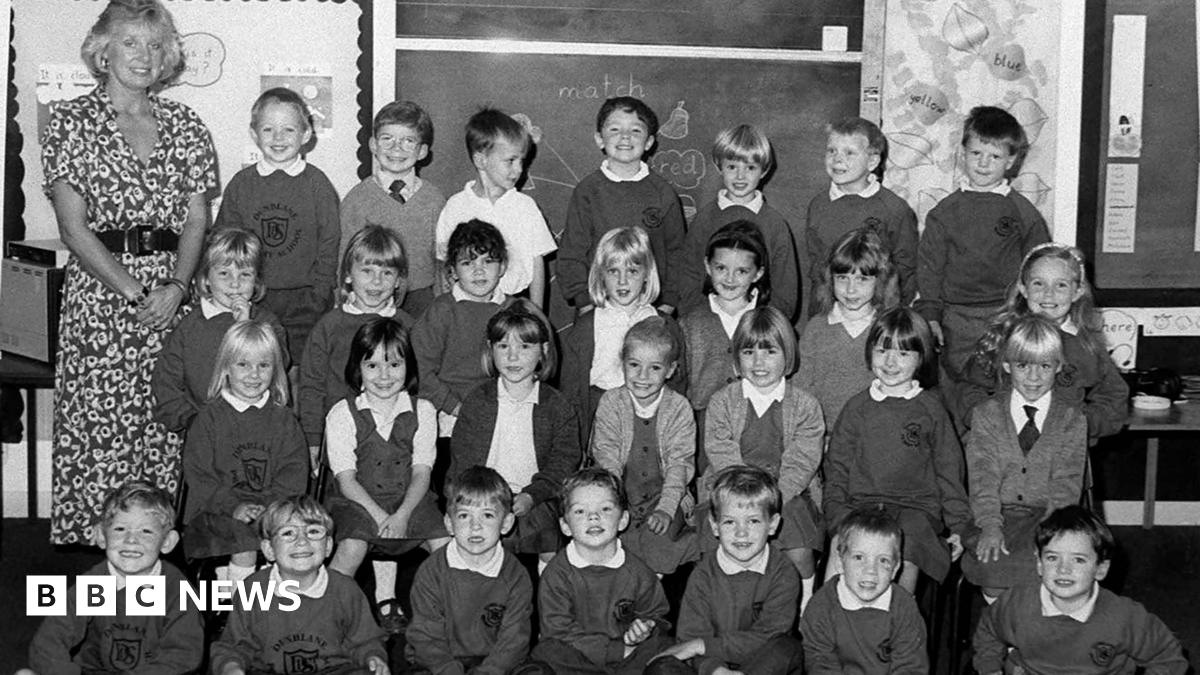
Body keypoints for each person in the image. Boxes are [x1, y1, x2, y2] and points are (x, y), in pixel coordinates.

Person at [41, 0, 217, 544]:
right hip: (102, 301)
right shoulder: (71, 122)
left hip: (174, 295)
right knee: (102, 432)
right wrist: (138, 292)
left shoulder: (186, 123)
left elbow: (196, 220)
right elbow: (73, 230)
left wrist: (176, 288)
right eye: (131, 43)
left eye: (155, 45)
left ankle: (161, 546)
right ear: (103, 50)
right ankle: (102, 556)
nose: (144, 56)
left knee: (167, 425)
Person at [823, 307, 970, 590]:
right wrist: (837, 514)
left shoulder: (931, 409)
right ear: (870, 353)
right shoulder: (857, 408)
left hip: (915, 508)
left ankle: (899, 621)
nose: (890, 362)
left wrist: (960, 526)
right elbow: (837, 468)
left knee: (908, 544)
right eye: (882, 350)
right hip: (861, 505)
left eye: (903, 354)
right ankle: (826, 622)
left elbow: (949, 473)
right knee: (843, 542)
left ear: (921, 358)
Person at [323, 318, 450, 632]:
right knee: (352, 545)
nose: (384, 375)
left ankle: (444, 621)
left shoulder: (424, 410)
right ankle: (325, 616)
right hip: (359, 501)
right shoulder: (342, 413)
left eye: (394, 364)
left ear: (409, 366)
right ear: (358, 368)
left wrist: (404, 514)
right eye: (373, 365)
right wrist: (381, 517)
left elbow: (422, 471)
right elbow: (346, 480)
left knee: (446, 545)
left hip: (411, 498)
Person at [701, 307, 825, 610]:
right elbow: (720, 450)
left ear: (788, 356)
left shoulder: (806, 405)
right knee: (713, 544)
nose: (758, 362)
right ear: (737, 358)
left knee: (798, 546)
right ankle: (725, 610)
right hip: (730, 489)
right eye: (748, 352)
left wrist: (774, 497)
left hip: (787, 492)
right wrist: (745, 497)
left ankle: (802, 608)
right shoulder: (722, 401)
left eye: (769, 351)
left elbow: (803, 459)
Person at [916, 105, 1050, 378]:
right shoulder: (944, 213)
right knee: (956, 387)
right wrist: (931, 315)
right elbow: (929, 269)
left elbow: (1041, 266)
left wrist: (1033, 314)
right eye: (976, 153)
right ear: (963, 153)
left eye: (995, 156)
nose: (983, 163)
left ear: (1011, 161)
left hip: (1007, 316)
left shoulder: (1023, 212)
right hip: (954, 318)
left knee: (1003, 386)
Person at [973, 505, 1187, 675]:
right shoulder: (1017, 604)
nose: (1063, 569)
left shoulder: (1125, 617)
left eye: (1078, 559)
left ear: (1100, 569)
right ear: (1039, 564)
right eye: (1052, 557)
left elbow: (1168, 657)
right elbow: (989, 631)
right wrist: (989, 668)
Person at [962, 315, 1088, 601]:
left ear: (1058, 367)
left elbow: (1066, 486)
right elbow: (983, 478)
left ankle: (1034, 639)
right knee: (993, 566)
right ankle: (1004, 638)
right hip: (994, 513)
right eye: (1023, 366)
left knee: (1050, 567)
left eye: (1044, 366)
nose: (1034, 378)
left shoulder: (1071, 419)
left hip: (1049, 516)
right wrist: (991, 526)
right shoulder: (987, 414)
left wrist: (1050, 532)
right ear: (1007, 365)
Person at [448, 299, 580, 565]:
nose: (512, 356)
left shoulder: (556, 405)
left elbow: (564, 462)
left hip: (538, 496)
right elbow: (462, 463)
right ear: (490, 350)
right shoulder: (478, 401)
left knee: (548, 534)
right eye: (503, 346)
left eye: (525, 346)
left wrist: (533, 494)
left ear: (543, 350)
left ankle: (550, 594)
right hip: (485, 498)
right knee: (481, 536)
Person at [22, 482, 203, 674]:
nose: (131, 540)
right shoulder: (93, 583)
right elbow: (48, 642)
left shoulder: (178, 590)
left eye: (146, 531)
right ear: (101, 536)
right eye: (120, 529)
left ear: (167, 542)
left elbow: (183, 656)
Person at [958, 243, 1129, 443]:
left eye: (1061, 285)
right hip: (1003, 450)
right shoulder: (1002, 338)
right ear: (1023, 288)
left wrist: (1083, 424)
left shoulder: (1086, 346)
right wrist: (990, 419)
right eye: (1039, 283)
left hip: (1065, 454)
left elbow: (1114, 397)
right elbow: (968, 389)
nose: (1049, 294)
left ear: (1077, 291)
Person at [214, 86, 340, 357]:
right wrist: (235, 291)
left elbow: (330, 242)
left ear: (306, 134)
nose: (278, 138)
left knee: (302, 369)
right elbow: (224, 243)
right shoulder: (242, 184)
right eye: (268, 129)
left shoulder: (317, 184)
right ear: (253, 134)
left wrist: (319, 292)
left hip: (306, 300)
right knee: (258, 366)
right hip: (254, 298)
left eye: (289, 130)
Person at [181, 319, 308, 582]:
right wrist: (234, 507)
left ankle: (250, 594)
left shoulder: (284, 420)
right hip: (215, 514)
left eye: (264, 365)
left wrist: (268, 507)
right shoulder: (209, 419)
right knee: (246, 540)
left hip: (271, 511)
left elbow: (294, 475)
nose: (254, 374)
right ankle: (240, 610)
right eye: (243, 364)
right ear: (226, 367)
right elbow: (199, 477)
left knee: (300, 537)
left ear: (275, 370)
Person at [648, 466, 803, 675]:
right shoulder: (703, 575)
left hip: (760, 665)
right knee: (662, 666)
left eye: (753, 521)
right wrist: (716, 670)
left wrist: (700, 645)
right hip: (713, 667)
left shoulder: (783, 573)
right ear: (714, 525)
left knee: (786, 648)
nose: (741, 532)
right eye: (730, 521)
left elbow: (768, 637)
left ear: (773, 524)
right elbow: (690, 636)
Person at [209, 496, 390, 675]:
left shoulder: (345, 589)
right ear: (269, 550)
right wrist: (231, 667)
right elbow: (232, 647)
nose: (302, 541)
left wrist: (373, 658)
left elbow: (366, 641)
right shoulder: (252, 589)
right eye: (288, 533)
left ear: (327, 546)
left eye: (313, 532)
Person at [531, 467, 672, 675]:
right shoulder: (556, 575)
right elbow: (557, 631)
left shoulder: (639, 572)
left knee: (667, 650)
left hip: (629, 657)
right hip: (578, 658)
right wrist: (616, 650)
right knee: (546, 652)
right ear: (565, 526)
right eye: (580, 511)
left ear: (623, 520)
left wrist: (645, 628)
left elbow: (658, 615)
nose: (594, 517)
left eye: (605, 509)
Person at [559, 226, 687, 447]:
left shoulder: (665, 325)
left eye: (632, 271)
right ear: (600, 275)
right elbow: (571, 393)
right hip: (600, 417)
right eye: (613, 271)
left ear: (647, 274)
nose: (622, 281)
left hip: (651, 418)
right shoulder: (588, 326)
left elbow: (678, 382)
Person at [406, 466, 542, 675]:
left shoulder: (516, 575)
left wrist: (488, 672)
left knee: (537, 671)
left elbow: (515, 640)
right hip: (442, 660)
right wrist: (449, 670)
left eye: (487, 515)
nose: (475, 526)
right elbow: (425, 637)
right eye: (463, 516)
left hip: (495, 661)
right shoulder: (431, 571)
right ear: (449, 524)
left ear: (506, 523)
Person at [590, 316, 699, 576]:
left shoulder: (679, 408)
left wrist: (666, 508)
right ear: (623, 363)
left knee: (657, 540)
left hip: (665, 497)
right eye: (635, 365)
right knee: (613, 547)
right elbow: (607, 460)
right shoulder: (611, 403)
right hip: (621, 496)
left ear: (671, 370)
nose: (642, 376)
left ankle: (689, 547)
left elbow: (679, 465)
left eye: (655, 368)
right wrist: (614, 505)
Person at [558, 96, 687, 314]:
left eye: (635, 130)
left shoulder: (663, 193)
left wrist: (668, 304)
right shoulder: (588, 191)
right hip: (598, 307)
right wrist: (585, 302)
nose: (625, 137)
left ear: (648, 142)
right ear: (600, 139)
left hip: (651, 309)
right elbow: (572, 252)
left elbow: (678, 253)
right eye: (615, 129)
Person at [153, 227, 287, 434]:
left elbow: (279, 367)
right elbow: (166, 382)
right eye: (224, 273)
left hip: (259, 428)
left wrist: (245, 327)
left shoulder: (266, 322)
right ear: (206, 278)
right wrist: (191, 421)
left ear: (256, 280)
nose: (235, 283)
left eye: (245, 274)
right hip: (205, 431)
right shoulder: (190, 327)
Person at [299, 225, 411, 462]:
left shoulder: (408, 326)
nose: (376, 282)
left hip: (394, 444)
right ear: (348, 274)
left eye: (387, 273)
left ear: (399, 280)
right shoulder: (329, 327)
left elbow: (417, 386)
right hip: (341, 441)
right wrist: (313, 438)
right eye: (367, 271)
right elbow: (312, 386)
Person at [434, 107, 556, 308]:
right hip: (467, 305)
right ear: (481, 160)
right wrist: (449, 312)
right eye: (510, 161)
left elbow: (536, 265)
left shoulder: (525, 207)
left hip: (515, 306)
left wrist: (537, 313)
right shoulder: (456, 206)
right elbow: (444, 265)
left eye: (522, 161)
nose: (519, 170)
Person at [678, 124, 799, 320]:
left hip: (758, 331)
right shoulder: (705, 219)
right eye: (732, 167)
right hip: (709, 325)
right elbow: (689, 278)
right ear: (719, 166)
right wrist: (702, 321)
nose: (740, 176)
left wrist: (764, 326)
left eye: (750, 167)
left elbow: (785, 291)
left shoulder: (775, 224)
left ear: (764, 170)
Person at [340, 100, 445, 317]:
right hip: (371, 296)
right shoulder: (357, 200)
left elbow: (442, 258)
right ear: (373, 145)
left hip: (422, 299)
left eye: (408, 141)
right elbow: (345, 258)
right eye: (387, 139)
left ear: (423, 151)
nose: (396, 148)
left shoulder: (435, 199)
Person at [802, 117, 917, 314]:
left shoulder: (894, 209)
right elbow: (817, 267)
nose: (837, 159)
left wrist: (892, 311)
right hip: (829, 312)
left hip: (878, 312)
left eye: (849, 153)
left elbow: (905, 268)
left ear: (872, 161)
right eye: (832, 151)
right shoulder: (818, 206)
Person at [800, 506, 929, 675]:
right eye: (859, 557)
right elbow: (819, 663)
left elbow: (911, 666)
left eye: (883, 560)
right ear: (840, 562)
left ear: (896, 569)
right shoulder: (821, 607)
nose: (870, 570)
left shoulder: (904, 608)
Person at [411, 219, 510, 437]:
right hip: (450, 414)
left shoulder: (514, 311)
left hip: (504, 411)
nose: (479, 271)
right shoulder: (441, 311)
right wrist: (454, 407)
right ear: (453, 271)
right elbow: (419, 371)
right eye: (468, 263)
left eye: (488, 261)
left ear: (502, 266)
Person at [797, 229, 900, 438]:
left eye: (862, 279)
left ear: (879, 281)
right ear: (830, 278)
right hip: (823, 435)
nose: (850, 290)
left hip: (875, 434)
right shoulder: (817, 328)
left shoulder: (888, 329)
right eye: (842, 278)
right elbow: (801, 388)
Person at [680, 221, 772, 424]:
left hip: (757, 422)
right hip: (702, 422)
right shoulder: (690, 323)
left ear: (758, 273)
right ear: (708, 266)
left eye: (741, 271)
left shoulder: (771, 323)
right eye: (721, 268)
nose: (730, 279)